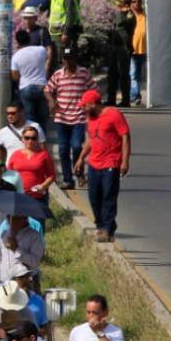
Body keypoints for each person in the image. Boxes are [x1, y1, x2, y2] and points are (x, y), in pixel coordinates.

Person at [75, 90, 131, 243]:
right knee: (94, 196)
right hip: (94, 163)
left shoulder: (114, 114)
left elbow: (125, 136)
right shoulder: (91, 118)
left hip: (111, 162)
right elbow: (91, 139)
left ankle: (105, 229)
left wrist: (125, 161)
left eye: (85, 106)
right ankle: (103, 224)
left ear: (93, 104)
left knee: (108, 196)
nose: (83, 109)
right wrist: (81, 158)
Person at [43, 47, 91, 189]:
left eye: (71, 58)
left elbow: (93, 90)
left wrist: (88, 105)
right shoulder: (58, 74)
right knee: (63, 149)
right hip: (62, 118)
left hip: (79, 117)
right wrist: (51, 101)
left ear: (75, 59)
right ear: (63, 60)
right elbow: (47, 89)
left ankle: (79, 172)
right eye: (66, 59)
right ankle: (68, 180)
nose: (68, 62)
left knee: (76, 146)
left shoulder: (83, 73)